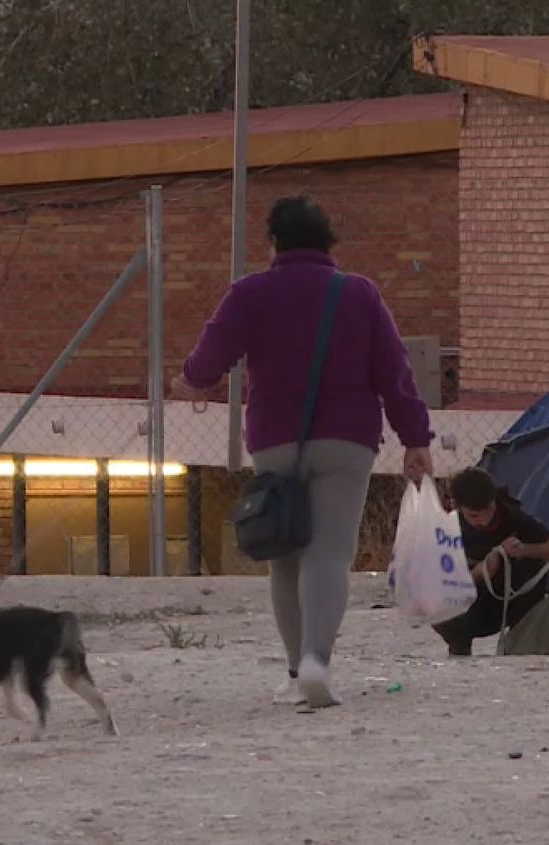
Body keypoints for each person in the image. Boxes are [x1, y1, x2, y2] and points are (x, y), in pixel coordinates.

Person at [171, 195, 434, 709]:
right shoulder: (360, 294)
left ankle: (294, 672)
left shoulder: (250, 293)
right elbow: (395, 374)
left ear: (273, 242)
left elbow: (208, 360)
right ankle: (319, 662)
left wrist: (189, 380)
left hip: (276, 440)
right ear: (328, 242)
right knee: (330, 555)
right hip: (347, 441)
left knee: (284, 556)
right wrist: (415, 439)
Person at [434, 468, 549, 657]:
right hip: (469, 608)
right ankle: (459, 648)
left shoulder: (511, 515)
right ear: (457, 507)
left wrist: (525, 549)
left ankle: (520, 644)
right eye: (474, 515)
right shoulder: (446, 528)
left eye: (488, 509)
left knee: (530, 567)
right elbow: (434, 585)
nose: (484, 520)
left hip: (509, 602)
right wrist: (481, 572)